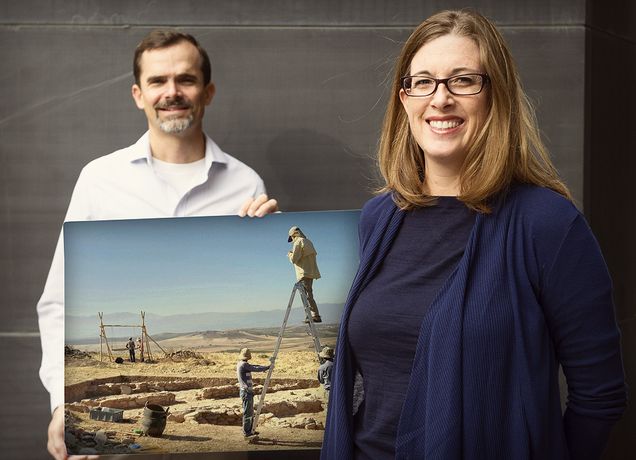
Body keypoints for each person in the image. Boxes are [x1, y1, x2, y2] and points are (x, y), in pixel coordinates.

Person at [322, 9, 627, 460]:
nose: (440, 99)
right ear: (404, 99)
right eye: (423, 81)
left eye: (463, 80)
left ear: (496, 95)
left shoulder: (548, 224)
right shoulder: (378, 217)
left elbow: (599, 398)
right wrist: (248, 228)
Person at [39, 30, 278, 460]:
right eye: (157, 81)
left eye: (185, 79)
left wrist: (273, 238)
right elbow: (57, 301)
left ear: (208, 92)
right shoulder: (99, 178)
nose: (172, 92)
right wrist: (62, 404)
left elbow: (248, 274)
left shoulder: (246, 183)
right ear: (137, 94)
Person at [287, 226, 322, 323]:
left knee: (306, 296)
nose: (293, 240)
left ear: (294, 235)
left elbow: (294, 259)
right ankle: (313, 315)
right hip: (310, 272)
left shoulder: (298, 242)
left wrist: (290, 254)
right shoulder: (308, 242)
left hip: (303, 273)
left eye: (292, 238)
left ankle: (313, 316)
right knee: (309, 294)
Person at [236, 348, 270, 437]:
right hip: (246, 392)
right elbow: (255, 368)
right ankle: (247, 432)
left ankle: (250, 430)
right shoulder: (243, 365)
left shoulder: (243, 364)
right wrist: (267, 367)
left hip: (247, 392)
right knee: (248, 412)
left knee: (250, 412)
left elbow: (254, 366)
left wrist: (263, 367)